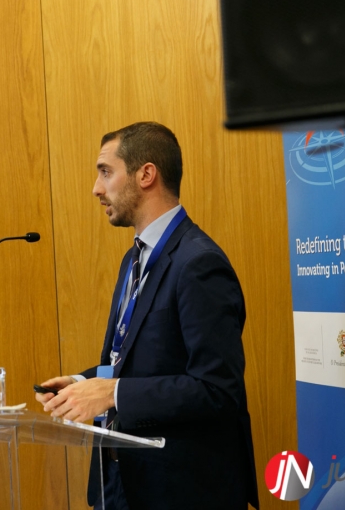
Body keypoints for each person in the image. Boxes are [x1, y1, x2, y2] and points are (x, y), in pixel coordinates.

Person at [36, 122, 259, 510]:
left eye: (106, 172)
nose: (96, 188)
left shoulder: (199, 263)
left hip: (181, 493)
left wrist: (112, 393)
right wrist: (81, 383)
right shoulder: (133, 259)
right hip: (121, 484)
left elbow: (217, 390)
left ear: (146, 174)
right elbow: (140, 359)